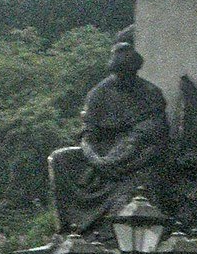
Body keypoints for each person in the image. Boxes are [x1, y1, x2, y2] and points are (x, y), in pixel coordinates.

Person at [48, 30, 172, 233]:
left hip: (138, 159)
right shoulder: (99, 93)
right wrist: (96, 160)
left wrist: (125, 164)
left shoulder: (151, 94)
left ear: (135, 70)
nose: (122, 77)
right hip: (101, 154)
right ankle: (68, 229)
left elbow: (158, 142)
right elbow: (87, 136)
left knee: (137, 187)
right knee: (59, 159)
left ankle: (113, 231)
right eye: (118, 72)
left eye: (127, 72)